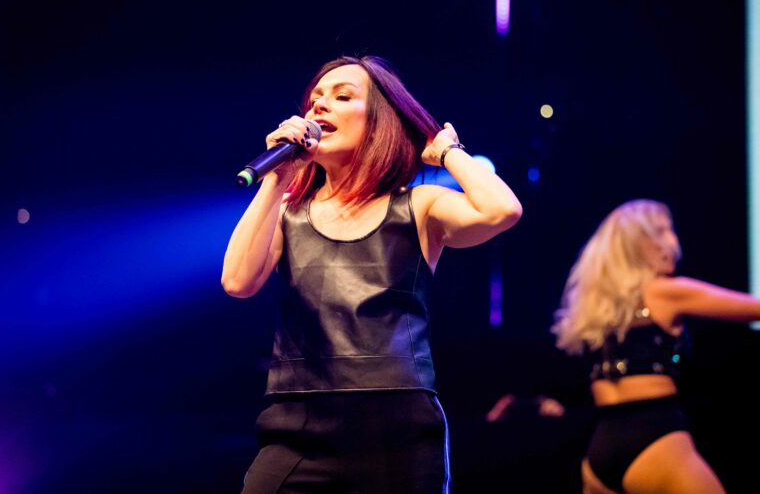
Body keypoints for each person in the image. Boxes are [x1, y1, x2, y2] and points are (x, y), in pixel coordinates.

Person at [221, 55, 522, 493]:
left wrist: (448, 153)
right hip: (297, 419)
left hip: (395, 427)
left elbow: (502, 210)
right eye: (315, 99)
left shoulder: (418, 205)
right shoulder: (287, 211)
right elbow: (237, 281)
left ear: (379, 122)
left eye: (342, 96)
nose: (320, 106)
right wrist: (277, 179)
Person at [551, 199, 760, 494]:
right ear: (639, 244)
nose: (672, 242)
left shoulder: (596, 307)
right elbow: (753, 309)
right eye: (662, 231)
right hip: (654, 436)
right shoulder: (663, 291)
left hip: (601, 446)